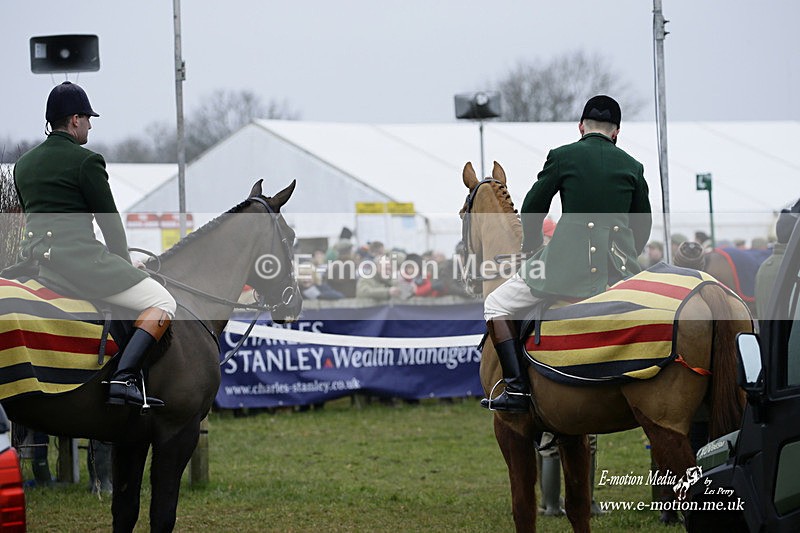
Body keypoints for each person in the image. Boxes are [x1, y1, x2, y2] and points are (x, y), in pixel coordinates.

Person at [8, 81, 176, 408]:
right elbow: (110, 223)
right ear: (74, 119)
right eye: (88, 118)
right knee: (163, 300)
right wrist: (124, 265)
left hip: (34, 262)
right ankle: (124, 378)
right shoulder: (87, 161)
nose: (90, 125)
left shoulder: (23, 165)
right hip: (79, 264)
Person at [481, 95, 652, 412]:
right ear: (616, 132)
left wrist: (532, 247)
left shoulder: (562, 156)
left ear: (581, 128)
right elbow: (643, 224)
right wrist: (626, 257)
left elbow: (533, 207)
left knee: (496, 303)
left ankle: (517, 391)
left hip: (565, 265)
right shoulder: (633, 166)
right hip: (620, 267)